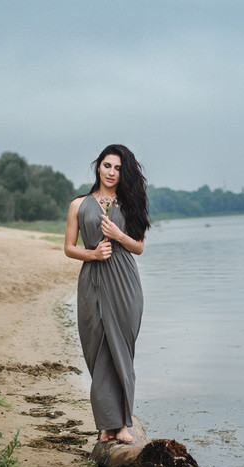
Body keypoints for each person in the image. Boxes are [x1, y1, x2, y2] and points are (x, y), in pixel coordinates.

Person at [64, 144, 150, 443]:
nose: (112, 172)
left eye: (118, 168)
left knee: (122, 351)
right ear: (98, 167)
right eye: (107, 165)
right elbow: (69, 248)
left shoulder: (132, 204)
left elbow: (139, 247)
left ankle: (123, 424)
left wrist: (118, 235)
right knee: (97, 349)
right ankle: (105, 425)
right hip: (92, 281)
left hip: (125, 283)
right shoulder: (78, 204)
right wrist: (93, 254)